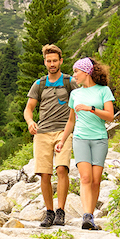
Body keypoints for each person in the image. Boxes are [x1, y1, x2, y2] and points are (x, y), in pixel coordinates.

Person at [55, 57, 114, 230]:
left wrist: (91, 109)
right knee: (85, 178)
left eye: (76, 72)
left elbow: (110, 116)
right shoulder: (75, 94)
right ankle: (87, 217)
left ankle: (90, 216)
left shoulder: (104, 91)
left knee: (96, 181)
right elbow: (71, 121)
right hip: (80, 138)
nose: (74, 76)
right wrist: (62, 140)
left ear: (86, 71)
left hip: (99, 139)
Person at [24, 44, 78, 227]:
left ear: (61, 61)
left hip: (64, 131)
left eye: (55, 60)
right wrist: (31, 122)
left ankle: (60, 211)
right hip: (42, 133)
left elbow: (81, 102)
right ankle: (49, 212)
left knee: (62, 169)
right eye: (49, 61)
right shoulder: (39, 84)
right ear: (45, 62)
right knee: (44, 174)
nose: (52, 63)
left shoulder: (69, 82)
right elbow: (28, 109)